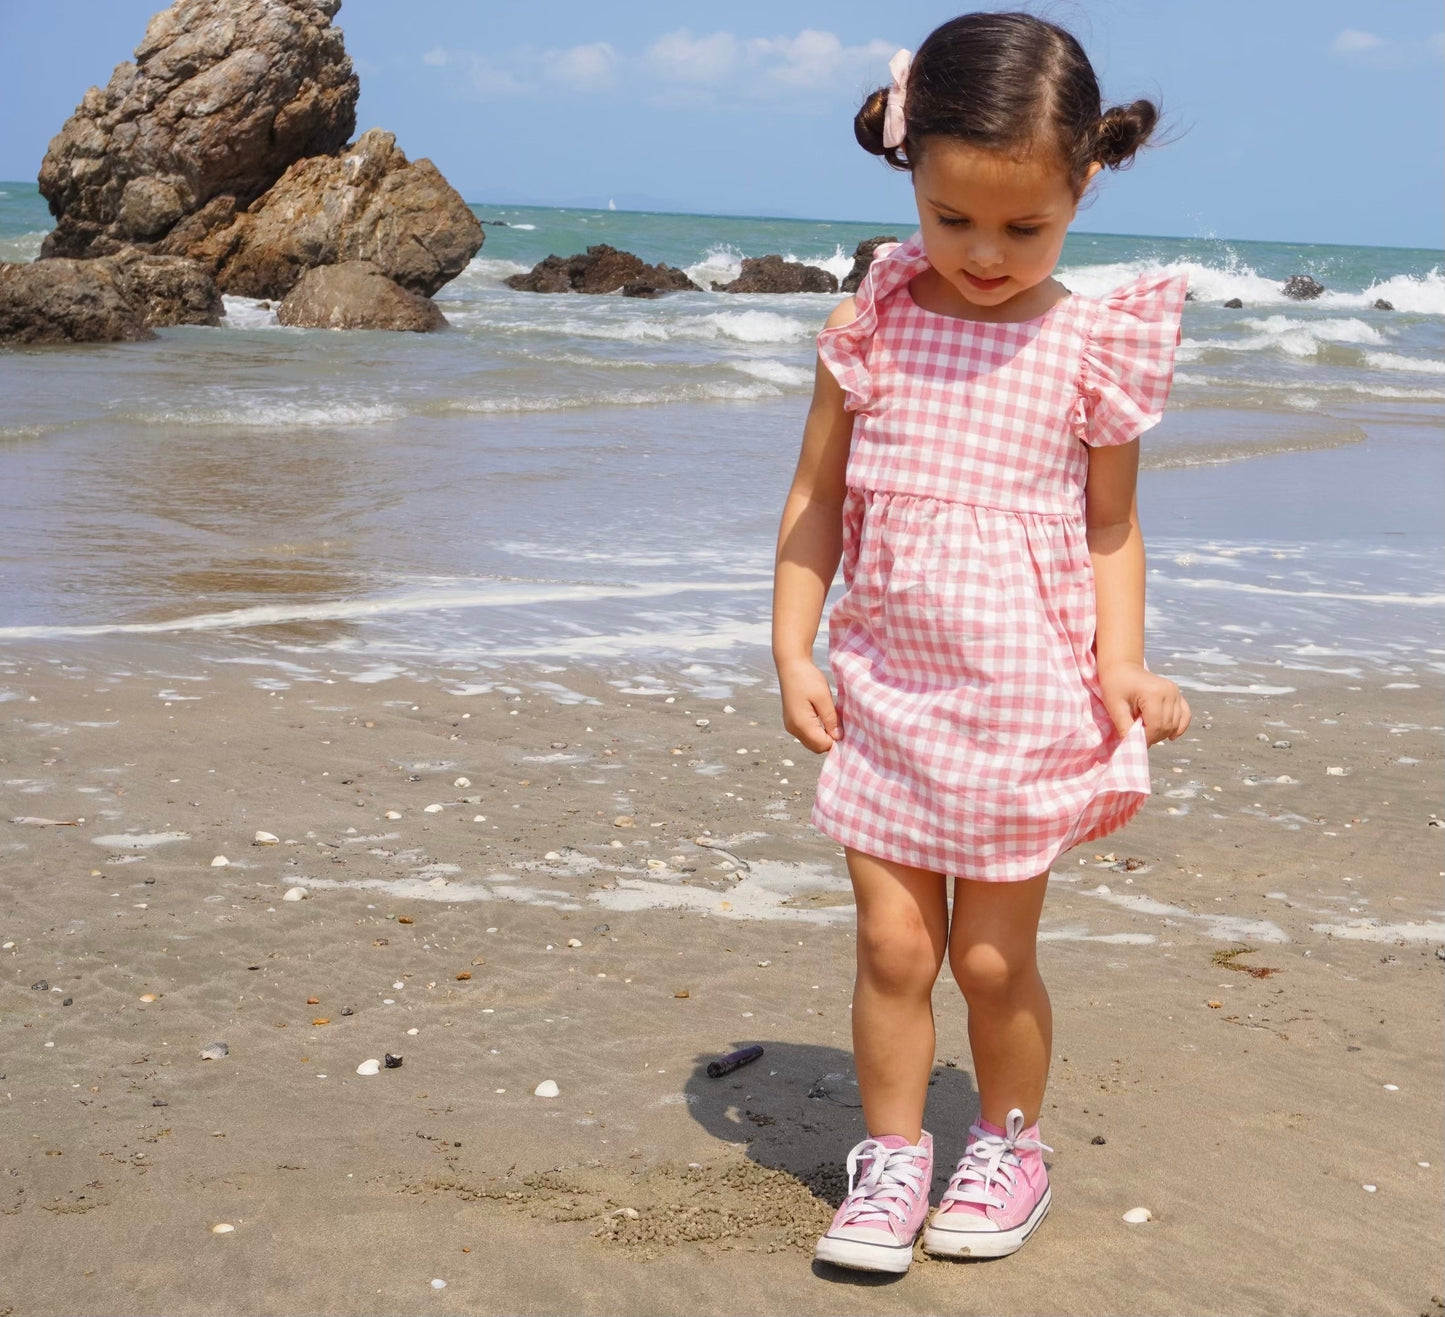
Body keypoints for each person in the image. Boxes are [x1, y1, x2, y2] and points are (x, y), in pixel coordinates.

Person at [771, 11, 1192, 1274]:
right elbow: (813, 500)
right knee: (893, 945)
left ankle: (1008, 1142)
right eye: (951, 220)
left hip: (1021, 701)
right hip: (887, 690)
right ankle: (892, 1158)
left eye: (1024, 227)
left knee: (989, 955)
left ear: (1083, 181)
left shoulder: (1092, 342)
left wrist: (1124, 664)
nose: (984, 253)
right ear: (910, 178)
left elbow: (1110, 526)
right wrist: (793, 652)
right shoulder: (877, 322)